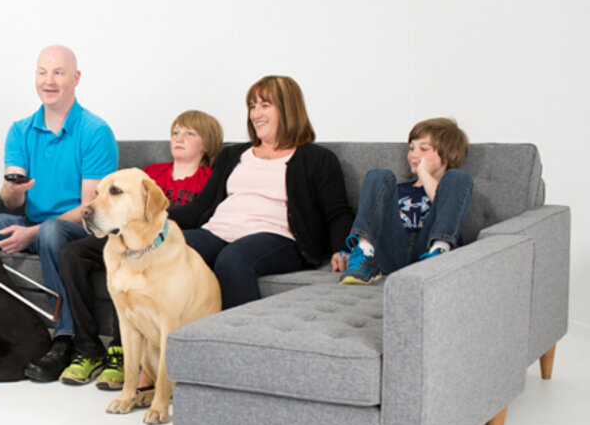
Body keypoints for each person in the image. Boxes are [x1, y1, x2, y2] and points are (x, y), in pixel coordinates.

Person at [0, 45, 118, 382]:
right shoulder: (20, 130)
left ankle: (65, 340)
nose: (48, 80)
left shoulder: (94, 132)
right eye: (42, 72)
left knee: (50, 232)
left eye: (58, 72)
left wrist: (33, 234)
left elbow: (91, 210)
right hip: (29, 221)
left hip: (75, 232)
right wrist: (13, 189)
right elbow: (12, 204)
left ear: (75, 78)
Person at [57, 110, 223, 388]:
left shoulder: (209, 179)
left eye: (190, 133)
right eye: (175, 132)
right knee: (72, 254)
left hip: (167, 249)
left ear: (207, 144)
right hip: (127, 240)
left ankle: (123, 356)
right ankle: (87, 347)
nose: (179, 138)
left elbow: (205, 216)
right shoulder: (150, 173)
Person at [171, 75, 354, 309]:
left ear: (288, 109)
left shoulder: (317, 159)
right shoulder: (232, 155)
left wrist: (343, 248)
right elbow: (200, 206)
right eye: (252, 106)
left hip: (278, 237)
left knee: (233, 259)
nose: (256, 113)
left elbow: (337, 211)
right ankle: (145, 341)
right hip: (218, 231)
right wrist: (152, 221)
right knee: (166, 248)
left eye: (265, 105)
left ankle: (240, 342)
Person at [334, 118, 473, 284]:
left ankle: (440, 251)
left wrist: (423, 173)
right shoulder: (393, 189)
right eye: (411, 148)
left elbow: (446, 204)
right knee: (379, 175)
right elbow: (376, 221)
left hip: (428, 249)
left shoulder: (454, 190)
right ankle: (364, 253)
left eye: (424, 148)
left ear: (451, 155)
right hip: (393, 251)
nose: (414, 154)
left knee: (459, 177)